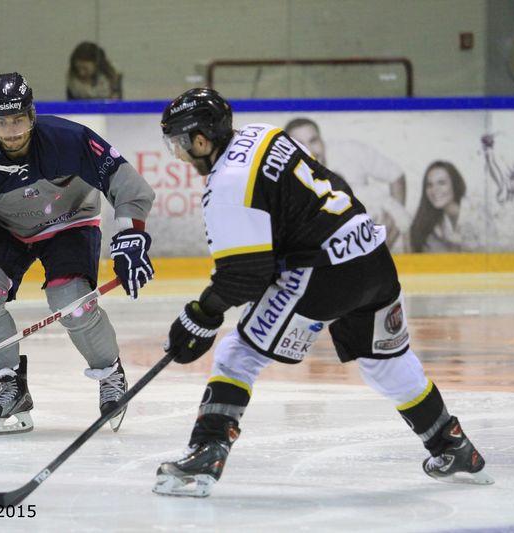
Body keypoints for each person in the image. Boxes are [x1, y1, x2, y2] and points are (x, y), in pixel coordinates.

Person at [152, 88, 493, 497]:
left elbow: (245, 275)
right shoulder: (263, 133)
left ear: (202, 140)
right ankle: (452, 445)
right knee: (386, 364)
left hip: (323, 272)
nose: (180, 154)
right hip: (372, 255)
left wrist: (200, 316)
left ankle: (206, 455)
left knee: (237, 353)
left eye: (180, 143)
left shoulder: (226, 184)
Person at [0, 72, 154, 435]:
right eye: (2, 122)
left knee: (72, 300)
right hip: (8, 229)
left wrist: (131, 234)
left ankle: (109, 372)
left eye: (18, 120)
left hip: (70, 224)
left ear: (32, 115)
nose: (12, 131)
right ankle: (10, 384)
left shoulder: (70, 139)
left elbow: (125, 183)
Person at [285, 117, 409, 251]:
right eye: (300, 144)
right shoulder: (284, 179)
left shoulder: (350, 152)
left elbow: (396, 176)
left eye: (313, 141)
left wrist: (388, 237)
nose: (309, 151)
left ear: (322, 140)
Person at [409, 161, 476, 252]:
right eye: (429, 185)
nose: (434, 190)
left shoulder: (476, 215)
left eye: (441, 183)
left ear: (455, 184)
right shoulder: (435, 220)